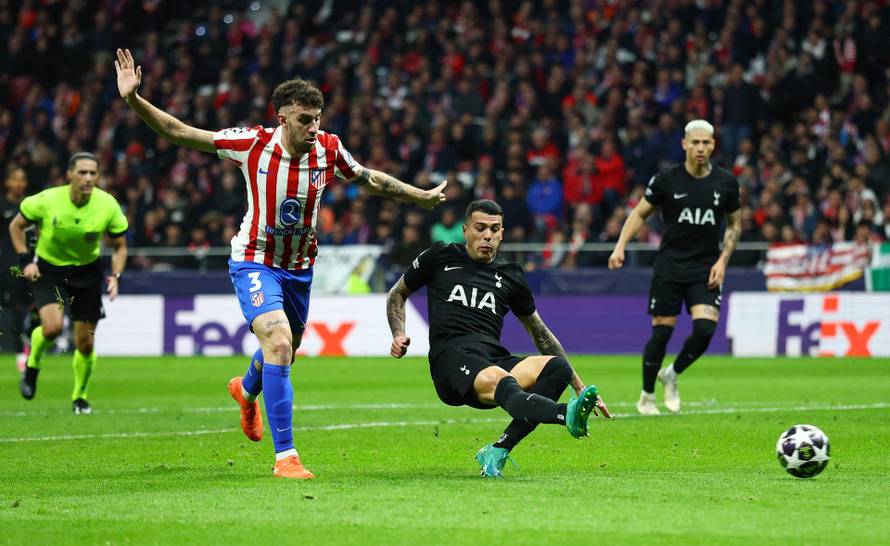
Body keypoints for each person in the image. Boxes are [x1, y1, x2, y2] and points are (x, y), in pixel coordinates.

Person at [115, 48, 446, 479]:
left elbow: (370, 179)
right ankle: (285, 457)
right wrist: (133, 100)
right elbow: (178, 131)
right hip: (254, 260)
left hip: (300, 268)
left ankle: (246, 390)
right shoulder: (250, 144)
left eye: (317, 118)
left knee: (283, 352)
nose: (314, 127)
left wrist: (418, 195)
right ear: (282, 118)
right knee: (279, 342)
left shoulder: (329, 149)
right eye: (304, 119)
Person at [386, 199, 611, 478]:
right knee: (501, 380)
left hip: (492, 357)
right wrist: (398, 333)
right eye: (480, 228)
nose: (487, 235)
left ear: (502, 233)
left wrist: (578, 385)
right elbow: (397, 293)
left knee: (557, 368)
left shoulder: (512, 275)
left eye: (494, 229)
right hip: (451, 359)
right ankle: (566, 414)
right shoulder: (440, 256)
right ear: (465, 230)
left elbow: (540, 333)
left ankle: (499, 449)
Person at [608, 119, 741, 415]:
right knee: (662, 334)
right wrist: (620, 246)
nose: (701, 148)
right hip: (670, 267)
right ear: (684, 144)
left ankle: (672, 373)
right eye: (695, 142)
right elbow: (638, 214)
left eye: (706, 142)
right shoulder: (667, 180)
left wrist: (723, 261)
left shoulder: (726, 183)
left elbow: (734, 225)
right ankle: (646, 395)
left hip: (706, 267)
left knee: (705, 330)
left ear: (713, 144)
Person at [9, 152, 128, 415]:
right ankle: (32, 367)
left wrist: (116, 276)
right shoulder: (46, 200)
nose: (87, 178)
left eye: (93, 173)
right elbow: (16, 226)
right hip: (50, 270)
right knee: (51, 328)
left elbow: (120, 246)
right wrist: (26, 260)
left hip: (88, 273)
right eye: (82, 172)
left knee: (85, 343)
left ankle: (80, 397)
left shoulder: (107, 205)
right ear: (69, 175)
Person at [1, 166, 31, 370]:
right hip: (7, 265)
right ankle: (11, 348)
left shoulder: (30, 206)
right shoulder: (2, 206)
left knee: (28, 306)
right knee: (9, 306)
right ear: (7, 183)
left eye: (22, 179)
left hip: (29, 265)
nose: (19, 184)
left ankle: (25, 348)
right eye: (15, 179)